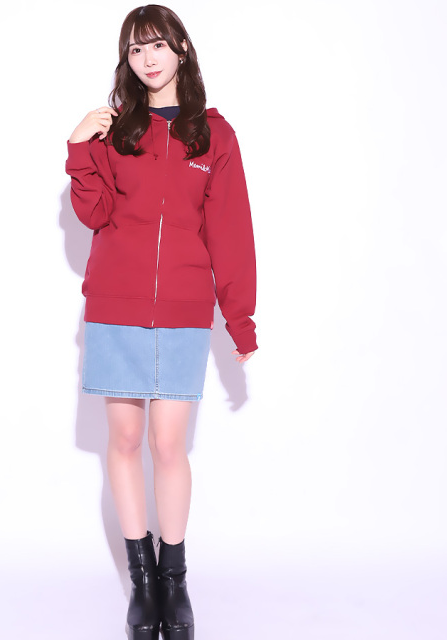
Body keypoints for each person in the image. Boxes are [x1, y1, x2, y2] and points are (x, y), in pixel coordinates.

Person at [65, 5, 257, 639]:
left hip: (181, 312)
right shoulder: (115, 130)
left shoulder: (215, 136)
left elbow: (230, 232)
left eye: (157, 46)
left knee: (168, 446)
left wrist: (240, 320)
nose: (147, 59)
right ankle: (142, 584)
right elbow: (93, 214)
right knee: (123, 441)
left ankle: (175, 582)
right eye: (135, 49)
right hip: (115, 307)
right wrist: (80, 146)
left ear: (181, 49)